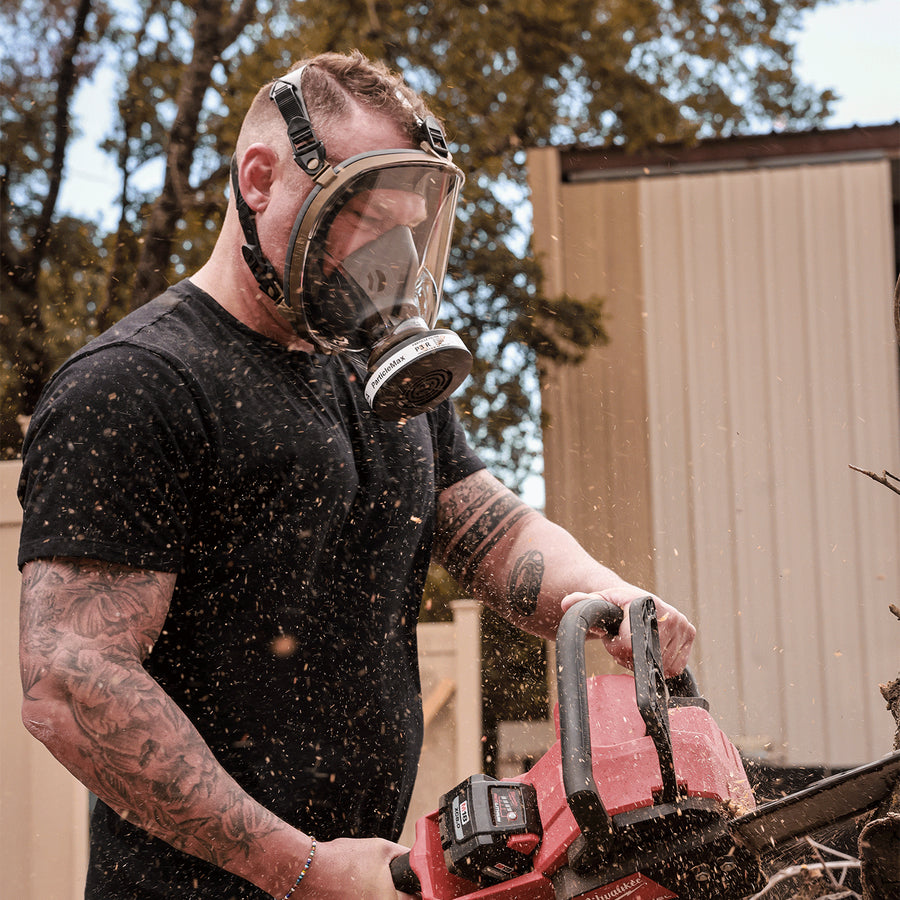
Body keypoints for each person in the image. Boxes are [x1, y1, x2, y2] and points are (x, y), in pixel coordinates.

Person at [17, 51, 695, 900]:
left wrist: (609, 599)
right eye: (364, 221)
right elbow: (70, 686)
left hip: (361, 877)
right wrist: (298, 868)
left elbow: (493, 528)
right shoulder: (134, 384)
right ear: (259, 180)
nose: (392, 258)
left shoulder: (371, 375)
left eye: (407, 230)